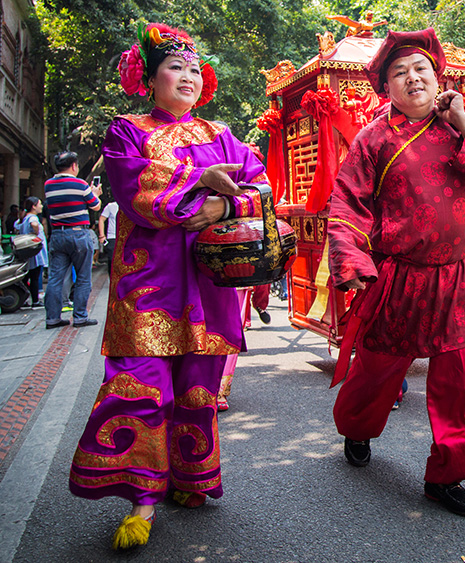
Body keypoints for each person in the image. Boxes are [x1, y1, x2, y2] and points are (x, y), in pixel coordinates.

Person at [68, 23, 268, 550]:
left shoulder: (221, 135)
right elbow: (135, 190)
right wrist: (201, 181)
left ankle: (191, 477)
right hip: (147, 286)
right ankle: (141, 500)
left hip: (208, 285)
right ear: (149, 78)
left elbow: (260, 185)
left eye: (195, 69)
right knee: (141, 385)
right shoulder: (126, 131)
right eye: (175, 67)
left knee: (198, 388)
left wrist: (223, 206)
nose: (187, 77)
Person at [326, 28, 465, 517]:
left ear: (438, 78)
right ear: (385, 86)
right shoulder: (371, 140)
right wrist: (352, 261)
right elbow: (346, 204)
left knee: (460, 380)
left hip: (456, 277)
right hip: (399, 277)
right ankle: (357, 428)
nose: (412, 79)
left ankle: (447, 475)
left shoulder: (458, 129)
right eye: (400, 73)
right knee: (377, 372)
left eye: (421, 70)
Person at [43, 151, 102, 329]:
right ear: (74, 166)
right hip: (78, 235)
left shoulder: (48, 185)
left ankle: (52, 318)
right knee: (83, 277)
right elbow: (95, 206)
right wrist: (95, 193)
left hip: (57, 235)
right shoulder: (80, 184)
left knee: (55, 278)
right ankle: (80, 317)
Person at [18, 197, 48, 307]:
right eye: (39, 204)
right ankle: (35, 301)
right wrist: (36, 232)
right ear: (34, 206)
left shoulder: (24, 218)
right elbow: (34, 224)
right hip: (35, 253)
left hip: (30, 252)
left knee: (28, 276)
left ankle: (24, 299)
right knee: (34, 277)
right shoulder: (32, 217)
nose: (41, 206)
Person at [99, 200, 119, 273]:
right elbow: (102, 219)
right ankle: (111, 278)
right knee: (112, 260)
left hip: (126, 236)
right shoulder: (111, 206)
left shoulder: (129, 205)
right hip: (112, 237)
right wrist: (102, 235)